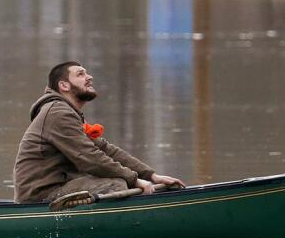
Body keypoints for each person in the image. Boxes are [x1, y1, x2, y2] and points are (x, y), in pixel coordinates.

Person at [13, 61, 184, 203]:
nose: (89, 77)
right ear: (64, 85)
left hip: (60, 187)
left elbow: (105, 149)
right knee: (115, 185)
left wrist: (152, 175)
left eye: (87, 73)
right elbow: (89, 158)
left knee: (120, 182)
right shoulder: (58, 113)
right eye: (80, 74)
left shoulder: (68, 112)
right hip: (41, 196)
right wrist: (134, 180)